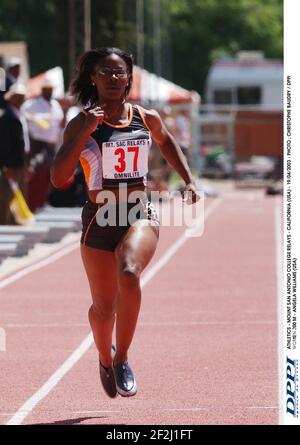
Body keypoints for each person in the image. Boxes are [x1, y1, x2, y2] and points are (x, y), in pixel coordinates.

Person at [50, 47, 199, 398]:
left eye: (120, 73)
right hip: (99, 219)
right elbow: (58, 177)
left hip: (137, 212)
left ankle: (123, 359)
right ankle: (105, 355)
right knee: (103, 309)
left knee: (129, 272)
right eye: (106, 72)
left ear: (129, 78)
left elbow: (167, 141)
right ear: (93, 78)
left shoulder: (145, 118)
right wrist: (85, 132)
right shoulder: (81, 121)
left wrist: (189, 180)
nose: (114, 78)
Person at [22, 79, 64, 211]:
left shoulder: (55, 104)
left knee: (48, 176)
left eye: (51, 89)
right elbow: (24, 117)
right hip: (38, 144)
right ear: (42, 90)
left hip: (51, 145)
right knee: (37, 174)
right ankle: (33, 204)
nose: (49, 92)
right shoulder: (32, 104)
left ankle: (42, 203)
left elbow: (60, 123)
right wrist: (39, 118)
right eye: (46, 89)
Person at [0, 83, 29, 224]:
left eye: (22, 96)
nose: (21, 99)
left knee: (18, 195)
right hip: (11, 165)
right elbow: (4, 144)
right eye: (18, 96)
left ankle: (16, 223)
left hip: (19, 163)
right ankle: (6, 226)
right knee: (7, 197)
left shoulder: (18, 114)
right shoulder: (7, 117)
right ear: (11, 98)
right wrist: (7, 166)